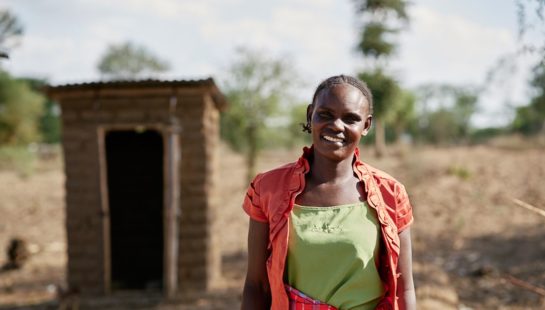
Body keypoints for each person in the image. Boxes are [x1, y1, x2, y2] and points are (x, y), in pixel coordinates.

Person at [241, 75, 416, 310]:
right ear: (309, 114)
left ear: (366, 125)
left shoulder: (390, 194)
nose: (336, 125)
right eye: (325, 114)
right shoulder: (269, 189)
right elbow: (257, 285)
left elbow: (404, 287)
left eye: (351, 118)